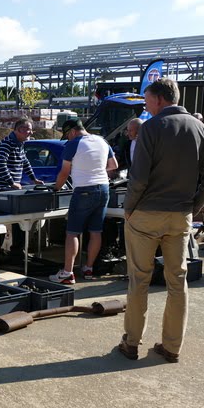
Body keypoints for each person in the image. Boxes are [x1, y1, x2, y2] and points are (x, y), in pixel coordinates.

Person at [119, 78, 204, 364]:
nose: (145, 104)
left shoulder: (151, 127)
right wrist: (192, 207)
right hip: (180, 217)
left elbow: (138, 178)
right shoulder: (200, 129)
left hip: (146, 215)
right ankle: (172, 346)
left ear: (160, 100)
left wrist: (129, 208)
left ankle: (132, 343)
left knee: (139, 280)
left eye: (147, 99)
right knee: (178, 281)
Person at [48, 119, 117, 284]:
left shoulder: (73, 144)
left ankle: (67, 273)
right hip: (103, 189)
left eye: (67, 135)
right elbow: (113, 165)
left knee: (72, 232)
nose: (68, 139)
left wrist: (56, 189)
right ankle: (88, 268)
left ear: (72, 131)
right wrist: (96, 169)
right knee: (95, 231)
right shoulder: (102, 141)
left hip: (84, 190)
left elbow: (64, 173)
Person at [0, 118, 44, 255]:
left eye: (31, 130)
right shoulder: (6, 144)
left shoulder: (20, 144)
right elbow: (1, 164)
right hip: (2, 189)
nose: (30, 133)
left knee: (18, 220)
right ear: (19, 130)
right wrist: (11, 182)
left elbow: (25, 162)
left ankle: (17, 251)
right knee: (0, 222)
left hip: (13, 190)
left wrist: (34, 179)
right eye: (28, 130)